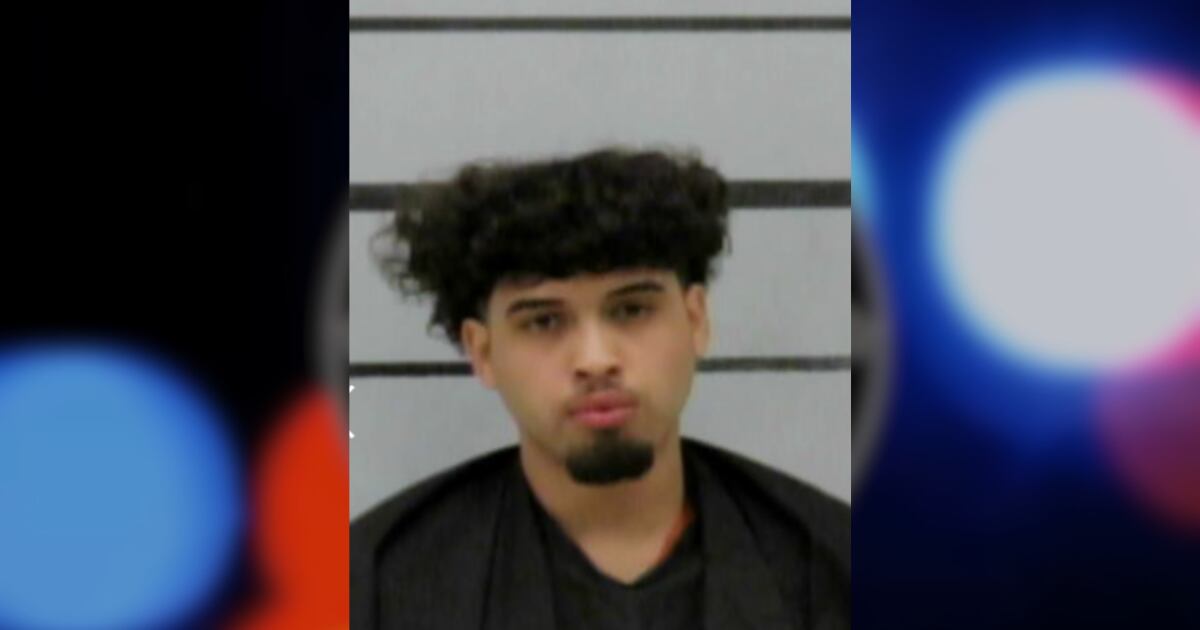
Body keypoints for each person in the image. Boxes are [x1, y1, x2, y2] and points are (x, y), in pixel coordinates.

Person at [351, 148, 850, 630]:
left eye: (631, 310)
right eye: (544, 321)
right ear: (482, 352)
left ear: (696, 320)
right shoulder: (376, 586)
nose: (595, 360)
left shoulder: (836, 564)